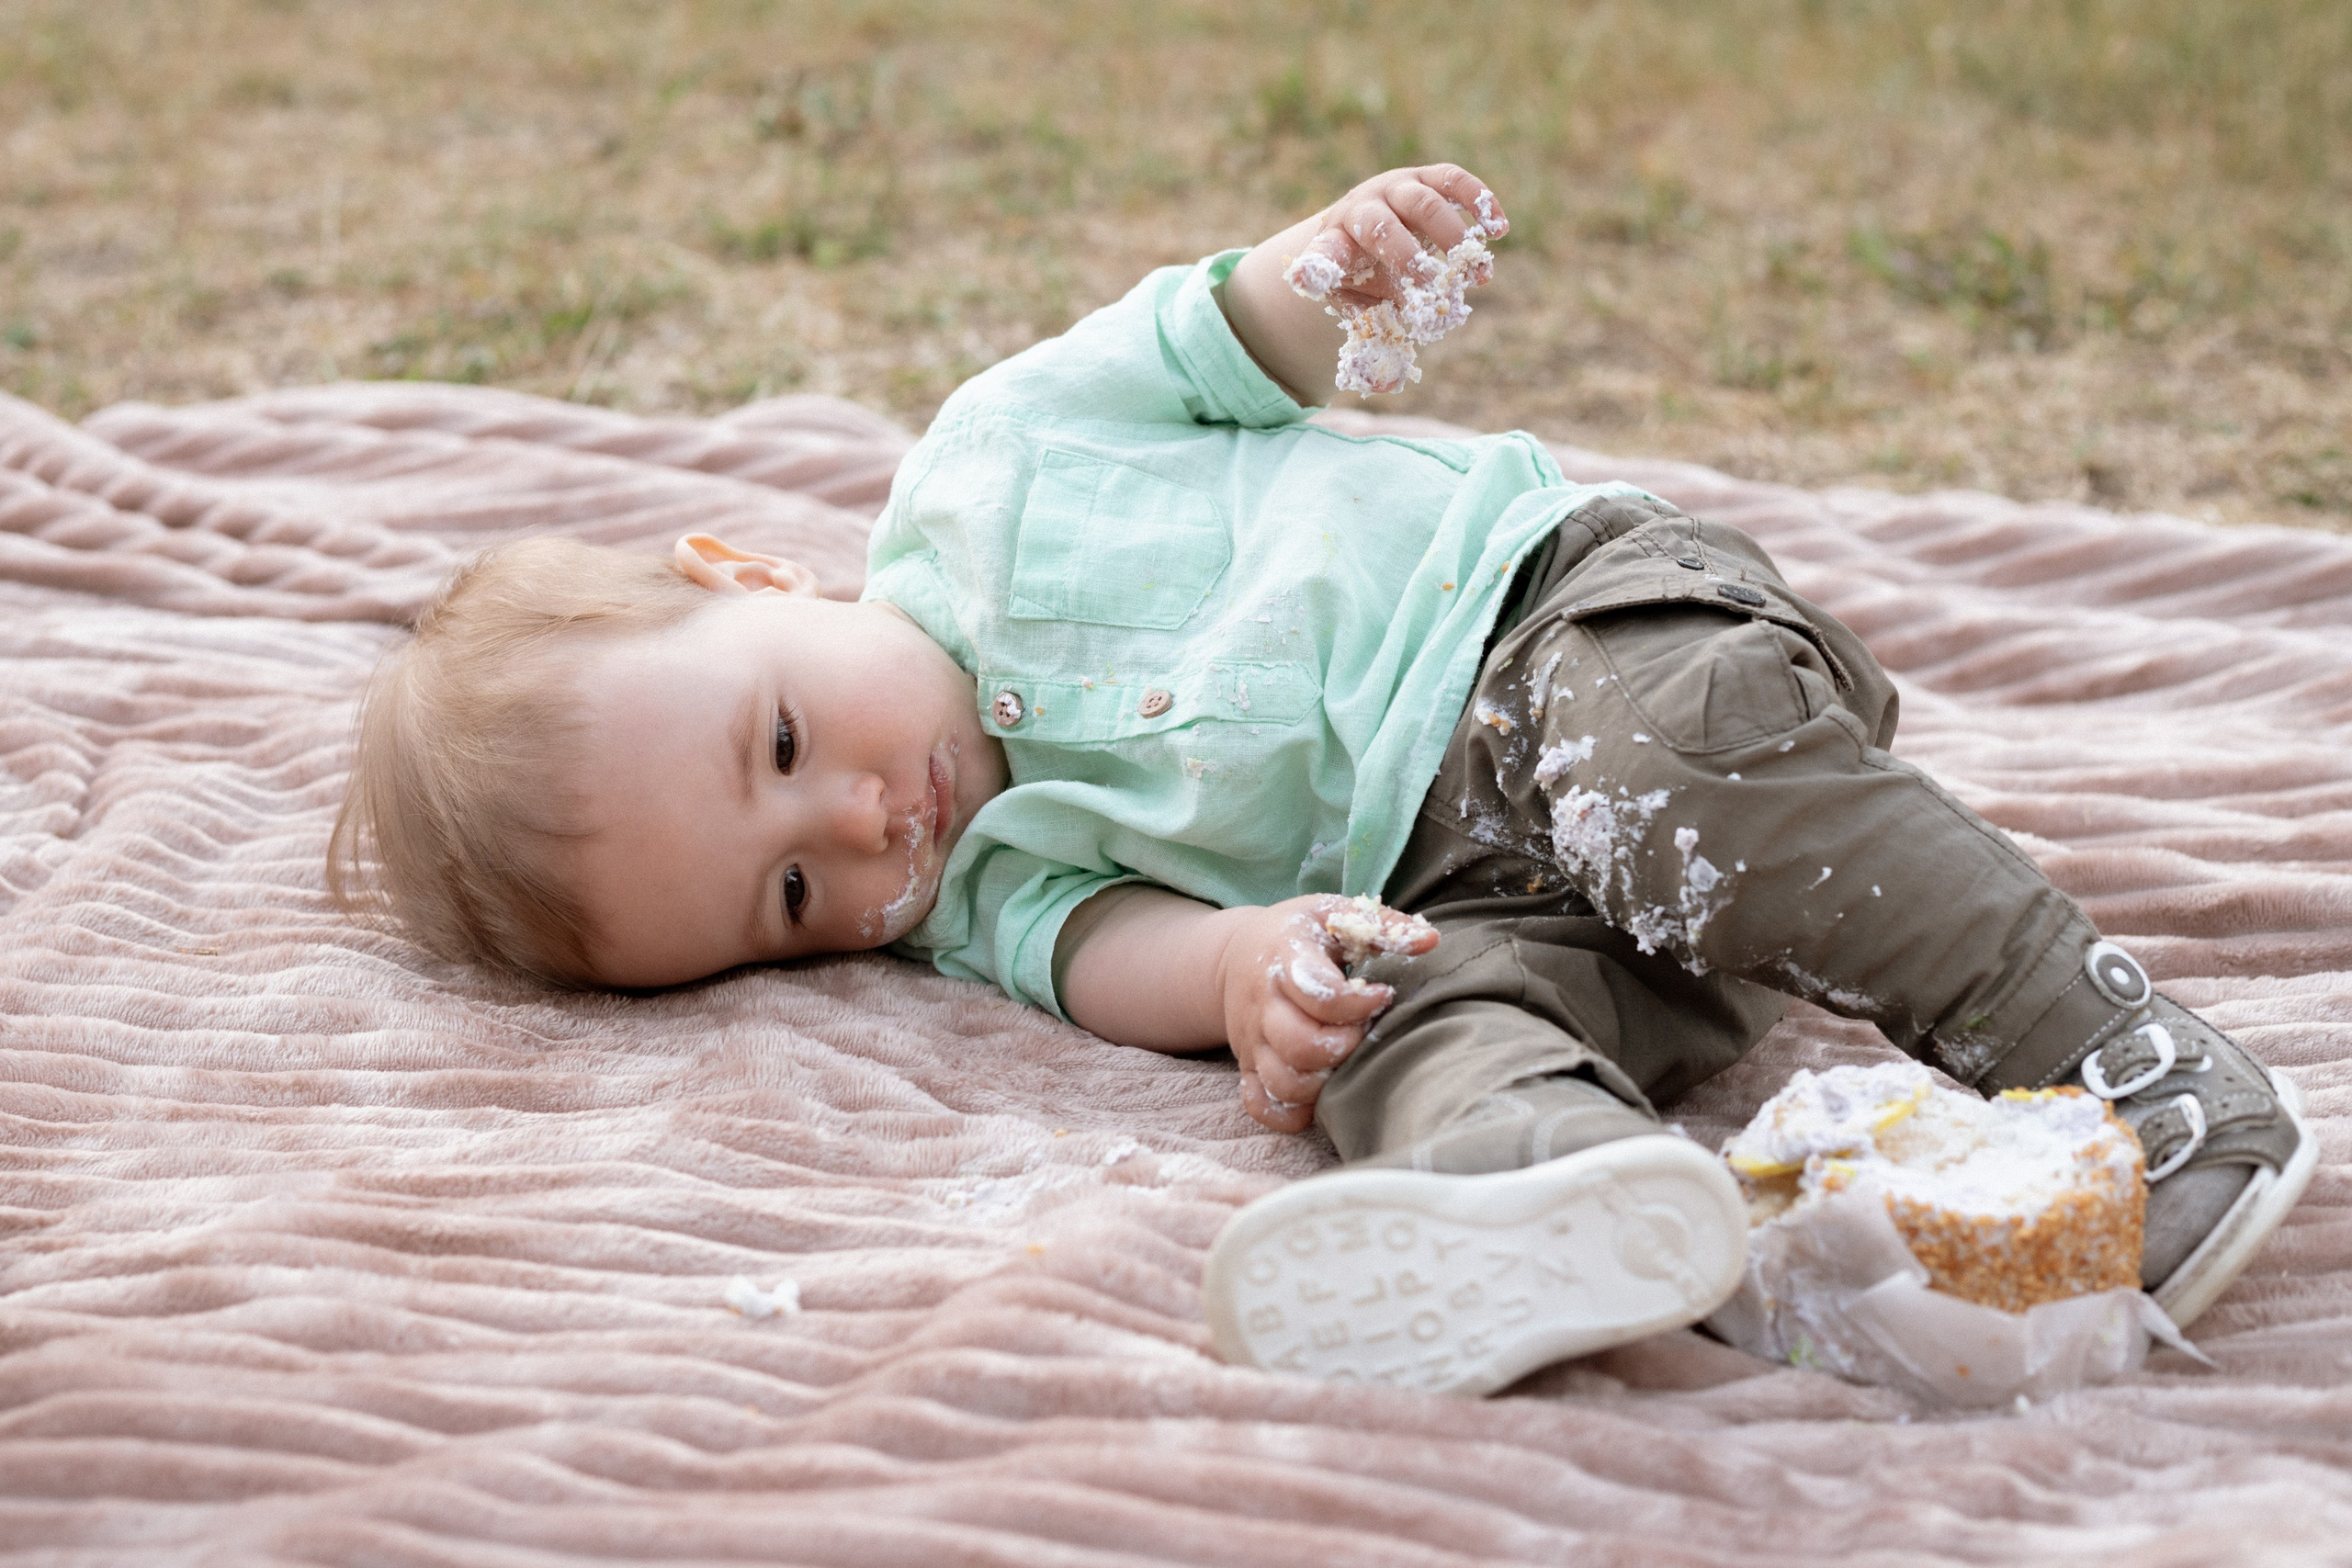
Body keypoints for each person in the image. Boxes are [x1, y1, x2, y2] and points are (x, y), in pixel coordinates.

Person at [330, 164, 2313, 1397]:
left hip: (1562, 634)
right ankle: (1569, 1203)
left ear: (749, 577)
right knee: (1390, 1027)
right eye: (785, 899)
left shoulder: (990, 456)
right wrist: (1262, 970)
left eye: (780, 741)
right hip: (1487, 904)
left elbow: (1225, 346)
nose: (859, 826)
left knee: (1663, 776)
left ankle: (2137, 1068)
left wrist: (1320, 268)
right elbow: (1154, 960)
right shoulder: (982, 901)